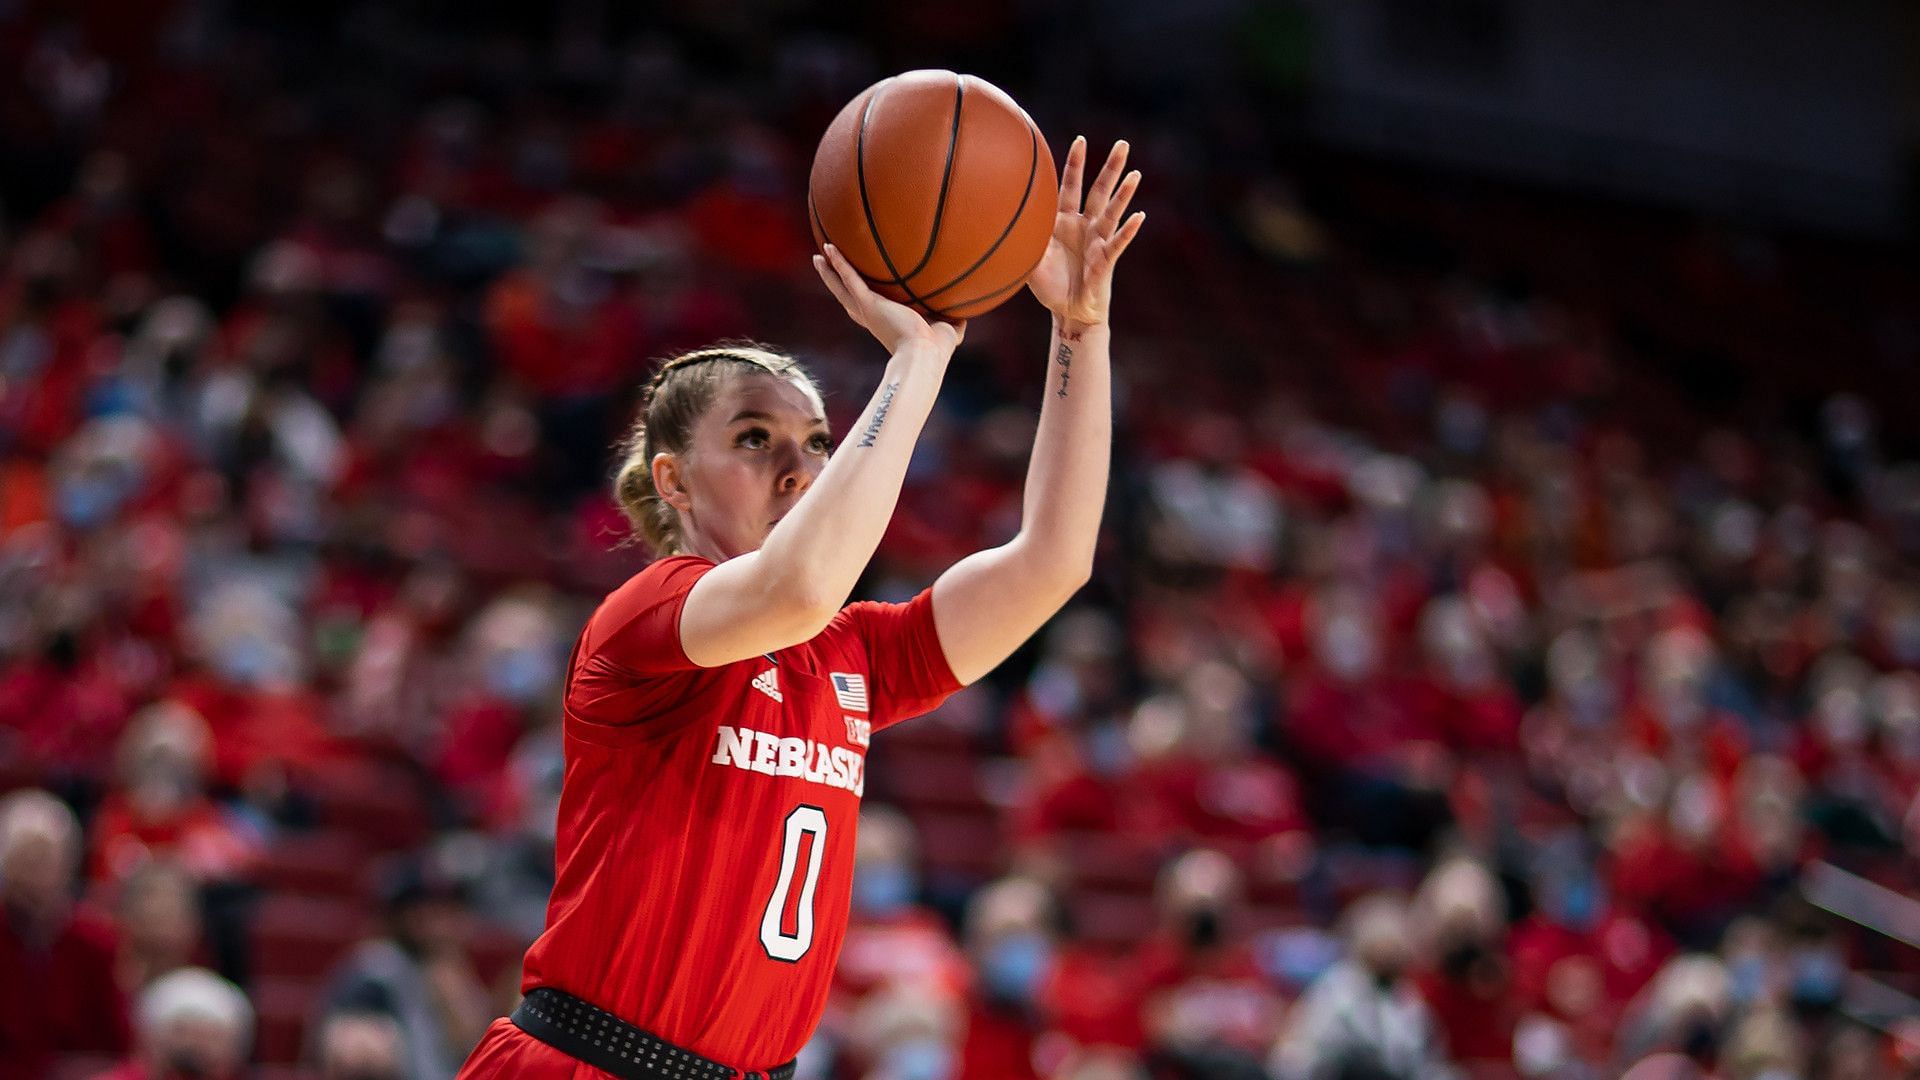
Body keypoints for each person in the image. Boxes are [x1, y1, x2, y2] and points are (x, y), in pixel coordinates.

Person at [456, 136, 1144, 1080]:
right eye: (753, 437)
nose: (795, 466)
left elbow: (1054, 561)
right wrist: (922, 353)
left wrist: (1081, 330)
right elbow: (801, 585)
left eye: (815, 442)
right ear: (675, 481)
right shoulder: (649, 614)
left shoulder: (853, 656)